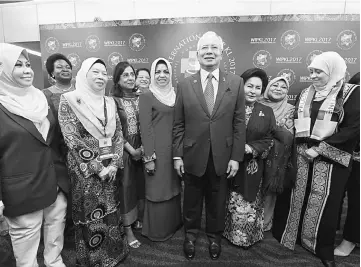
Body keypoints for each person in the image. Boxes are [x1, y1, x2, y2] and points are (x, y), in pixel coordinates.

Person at [272, 52, 360, 267]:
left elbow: (353, 128)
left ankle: (322, 248)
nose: (312, 75)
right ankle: (295, 237)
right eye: (311, 70)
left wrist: (320, 148)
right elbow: (298, 120)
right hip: (303, 154)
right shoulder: (305, 93)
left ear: (332, 70)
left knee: (327, 204)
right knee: (297, 196)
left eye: (318, 71)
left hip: (331, 158)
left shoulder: (350, 93)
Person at [173, 31, 245, 260]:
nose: (209, 52)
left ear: (221, 53)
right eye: (205, 48)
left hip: (222, 155)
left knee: (217, 200)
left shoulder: (236, 82)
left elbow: (239, 122)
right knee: (191, 200)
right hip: (192, 154)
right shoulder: (184, 85)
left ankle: (215, 237)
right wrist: (177, 156)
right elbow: (178, 124)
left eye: (214, 48)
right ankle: (191, 235)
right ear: (197, 54)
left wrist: (236, 157)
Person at [0, 43, 69, 267]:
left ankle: (54, 261)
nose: (27, 70)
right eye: (18, 65)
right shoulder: (2, 106)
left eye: (28, 65)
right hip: (22, 189)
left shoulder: (41, 98)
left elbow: (54, 140)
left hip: (55, 180)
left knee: (55, 229)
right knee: (26, 248)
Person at [58, 57, 129, 266]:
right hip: (86, 170)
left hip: (110, 166)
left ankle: (114, 253)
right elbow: (71, 137)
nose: (100, 76)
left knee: (111, 209)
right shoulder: (70, 99)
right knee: (91, 215)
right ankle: (95, 259)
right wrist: (98, 167)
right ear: (84, 75)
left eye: (103, 72)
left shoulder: (109, 101)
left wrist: (114, 164)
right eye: (95, 72)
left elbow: (118, 134)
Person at [223, 68, 275, 247]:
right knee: (228, 198)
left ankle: (248, 237)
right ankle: (227, 233)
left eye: (258, 87)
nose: (253, 91)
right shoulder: (228, 107)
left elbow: (269, 139)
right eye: (249, 86)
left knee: (249, 200)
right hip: (228, 162)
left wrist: (250, 148)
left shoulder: (267, 112)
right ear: (241, 86)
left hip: (252, 165)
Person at [139, 58, 182, 241]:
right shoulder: (147, 96)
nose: (162, 75)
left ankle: (173, 225)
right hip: (156, 152)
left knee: (173, 187)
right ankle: (158, 231)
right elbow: (145, 128)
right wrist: (149, 157)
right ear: (152, 75)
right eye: (158, 72)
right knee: (157, 189)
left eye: (165, 71)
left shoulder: (177, 94)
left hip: (175, 151)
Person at [112, 61, 144, 249]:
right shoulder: (112, 101)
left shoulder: (142, 98)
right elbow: (113, 130)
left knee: (139, 187)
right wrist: (131, 150)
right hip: (124, 150)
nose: (130, 78)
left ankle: (136, 218)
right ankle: (127, 228)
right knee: (126, 189)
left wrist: (143, 148)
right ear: (117, 79)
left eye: (132, 74)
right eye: (125, 75)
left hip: (143, 149)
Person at [258, 76, 296, 231]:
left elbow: (288, 137)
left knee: (269, 191)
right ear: (268, 87)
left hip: (276, 158)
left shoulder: (290, 109)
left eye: (283, 87)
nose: (279, 89)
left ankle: (264, 224)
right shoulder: (256, 103)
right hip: (254, 153)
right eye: (275, 85)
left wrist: (266, 129)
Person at [334, 71, 360, 257]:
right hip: (342, 153)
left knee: (357, 201)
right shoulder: (345, 100)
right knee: (336, 194)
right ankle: (332, 228)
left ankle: (351, 239)